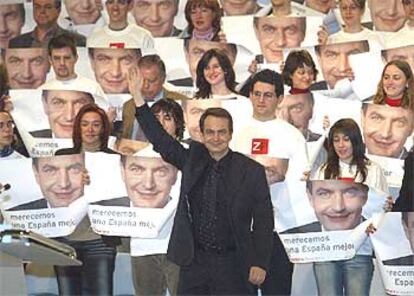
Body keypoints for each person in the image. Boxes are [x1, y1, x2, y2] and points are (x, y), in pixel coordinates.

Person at [129, 66, 274, 295]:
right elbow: (161, 141)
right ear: (202, 134)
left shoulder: (251, 171)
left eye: (221, 132)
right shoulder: (192, 159)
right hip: (194, 262)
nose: (216, 138)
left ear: (230, 134)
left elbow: (264, 220)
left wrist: (260, 262)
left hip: (235, 262)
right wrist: (138, 99)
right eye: (210, 132)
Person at [233, 69, 308, 296]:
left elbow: (301, 181)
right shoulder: (236, 132)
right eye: (257, 94)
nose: (261, 100)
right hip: (241, 230)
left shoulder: (292, 135)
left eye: (268, 95)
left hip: (279, 229)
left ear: (279, 99)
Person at [306, 179, 374, 296]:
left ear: (365, 195)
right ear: (310, 197)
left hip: (361, 250)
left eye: (350, 192)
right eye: (324, 194)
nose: (338, 207)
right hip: (324, 250)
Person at [312, 118, 388, 192]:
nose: (340, 145)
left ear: (355, 141)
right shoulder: (324, 170)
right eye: (336, 140)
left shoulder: (373, 170)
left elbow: (382, 201)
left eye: (346, 139)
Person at [121, 55, 188, 139]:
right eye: (141, 80)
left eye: (151, 81)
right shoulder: (128, 106)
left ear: (163, 78)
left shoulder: (182, 101)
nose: (145, 86)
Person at [41, 34, 106, 100]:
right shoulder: (43, 90)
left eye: (67, 58)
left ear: (76, 58)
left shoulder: (93, 88)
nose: (62, 63)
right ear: (50, 60)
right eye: (57, 58)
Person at [9, 0, 86, 48]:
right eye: (37, 7)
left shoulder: (78, 40)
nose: (42, 11)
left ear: (58, 11)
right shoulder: (16, 43)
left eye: (48, 7)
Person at [87, 0, 154, 49]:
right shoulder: (94, 38)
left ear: (130, 6)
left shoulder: (143, 36)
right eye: (110, 2)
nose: (115, 8)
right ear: (106, 6)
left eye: (121, 2)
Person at [317, 0, 384, 50]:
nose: (348, 12)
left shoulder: (375, 38)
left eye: (353, 7)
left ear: (362, 10)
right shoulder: (331, 40)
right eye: (344, 8)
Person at [169, 39, 237, 87]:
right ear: (187, 55)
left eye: (219, 54)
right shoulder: (168, 91)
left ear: (234, 56)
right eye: (198, 53)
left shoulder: (244, 92)